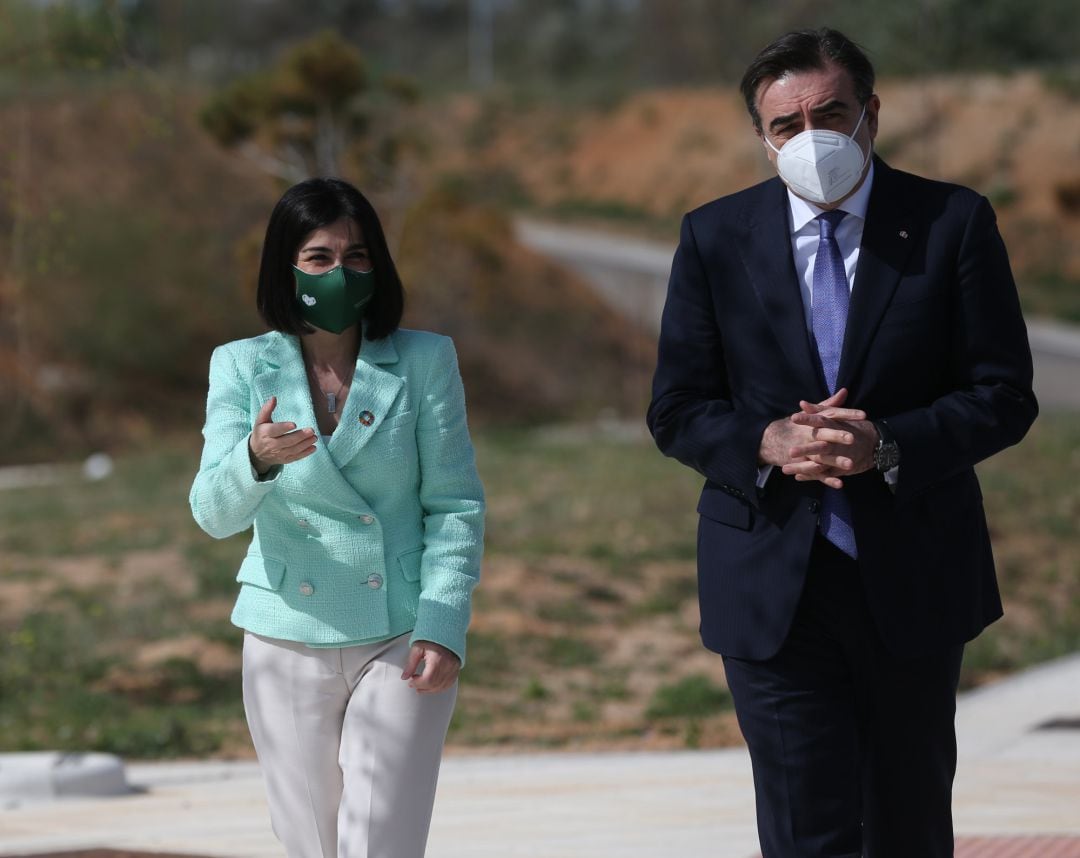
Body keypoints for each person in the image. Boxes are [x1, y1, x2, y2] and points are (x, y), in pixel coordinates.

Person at [647, 28, 1037, 858]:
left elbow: (1003, 395)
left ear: (872, 114)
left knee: (908, 823)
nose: (809, 137)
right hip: (772, 581)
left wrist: (888, 444)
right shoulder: (715, 238)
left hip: (912, 572)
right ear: (762, 136)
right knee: (804, 832)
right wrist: (768, 439)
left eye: (831, 113)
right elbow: (677, 407)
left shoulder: (951, 223)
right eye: (786, 125)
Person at [189, 177, 485, 858]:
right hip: (284, 635)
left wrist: (444, 624)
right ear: (286, 270)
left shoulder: (424, 359)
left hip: (401, 632)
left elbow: (454, 503)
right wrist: (255, 460)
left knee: (380, 840)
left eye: (356, 257)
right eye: (318, 258)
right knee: (312, 844)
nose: (340, 272)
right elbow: (211, 513)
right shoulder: (239, 366)